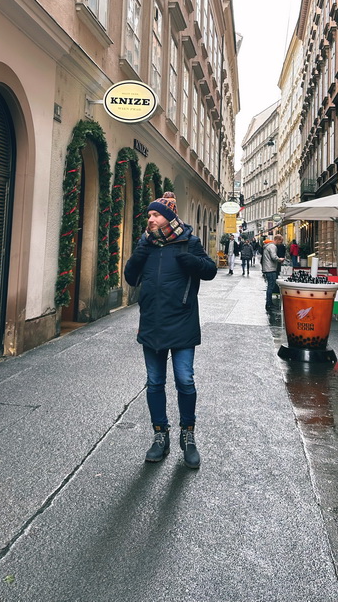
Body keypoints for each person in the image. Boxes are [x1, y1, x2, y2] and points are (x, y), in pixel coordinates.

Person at [124, 191, 216, 468]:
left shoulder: (190, 242)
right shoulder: (146, 244)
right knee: (154, 381)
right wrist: (140, 253)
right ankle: (159, 435)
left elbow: (210, 270)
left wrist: (195, 263)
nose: (150, 219)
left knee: (185, 380)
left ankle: (188, 436)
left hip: (183, 320)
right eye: (149, 215)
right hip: (152, 321)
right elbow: (130, 277)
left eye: (155, 214)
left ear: (169, 217)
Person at [261, 236, 286, 311]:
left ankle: (269, 303)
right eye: (280, 242)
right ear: (277, 240)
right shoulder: (272, 246)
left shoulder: (268, 246)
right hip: (270, 268)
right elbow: (273, 257)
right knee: (270, 287)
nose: (280, 244)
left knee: (270, 286)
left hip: (267, 268)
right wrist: (280, 259)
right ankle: (269, 304)